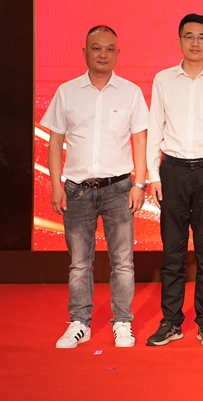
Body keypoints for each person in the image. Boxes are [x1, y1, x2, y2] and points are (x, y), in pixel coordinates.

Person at [43, 25, 148, 349]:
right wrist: (56, 186)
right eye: (96, 48)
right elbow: (55, 141)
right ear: (85, 52)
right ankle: (80, 323)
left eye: (110, 49)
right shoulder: (67, 91)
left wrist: (139, 183)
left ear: (118, 53)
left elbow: (140, 140)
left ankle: (123, 322)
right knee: (79, 263)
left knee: (123, 262)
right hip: (76, 190)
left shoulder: (130, 92)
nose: (103, 54)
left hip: (119, 189)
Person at [145, 14, 203, 347]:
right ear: (179, 41)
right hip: (172, 172)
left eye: (202, 37)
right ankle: (171, 321)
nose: (195, 42)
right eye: (189, 36)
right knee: (172, 253)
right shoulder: (163, 80)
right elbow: (154, 128)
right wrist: (153, 175)